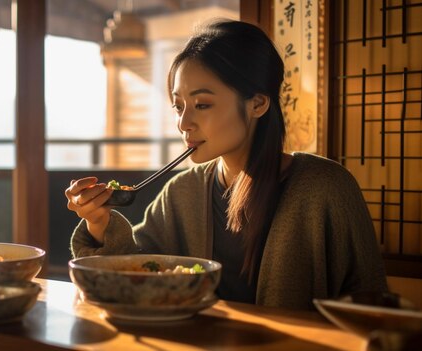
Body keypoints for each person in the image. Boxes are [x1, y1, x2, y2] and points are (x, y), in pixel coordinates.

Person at [64, 19, 387, 310]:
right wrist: (99, 223)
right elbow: (136, 273)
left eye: (202, 104)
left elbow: (370, 305)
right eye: (179, 106)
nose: (184, 123)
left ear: (258, 103)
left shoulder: (326, 187)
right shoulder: (183, 191)